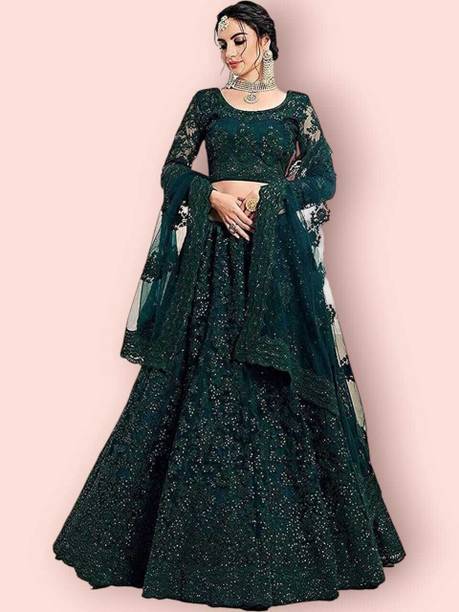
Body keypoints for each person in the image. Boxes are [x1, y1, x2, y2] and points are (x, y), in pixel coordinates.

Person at [52, 2, 406, 609]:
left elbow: (323, 179)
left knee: (278, 382)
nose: (228, 52)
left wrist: (272, 197)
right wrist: (210, 193)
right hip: (211, 263)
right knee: (198, 379)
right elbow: (171, 171)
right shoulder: (207, 104)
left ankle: (300, 550)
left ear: (265, 40)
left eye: (238, 40)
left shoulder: (297, 108)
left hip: (274, 265)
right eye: (221, 43)